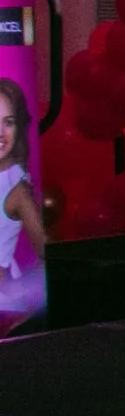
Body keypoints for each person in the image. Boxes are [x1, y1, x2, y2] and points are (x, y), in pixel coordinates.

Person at [0, 75, 44, 285]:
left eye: (8, 123)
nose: (1, 133)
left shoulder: (16, 190)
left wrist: (21, 292)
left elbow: (48, 254)